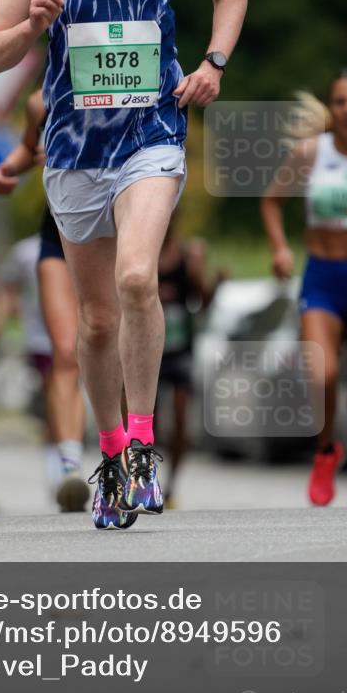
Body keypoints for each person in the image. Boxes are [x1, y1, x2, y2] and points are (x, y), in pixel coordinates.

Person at [0, 0, 247, 528]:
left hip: (150, 137)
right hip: (73, 151)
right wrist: (32, 22)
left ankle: (142, 447)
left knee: (136, 278)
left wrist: (213, 64)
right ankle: (109, 458)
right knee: (96, 324)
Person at [261, 70, 347, 506]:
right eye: (341, 101)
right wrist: (281, 249)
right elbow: (271, 201)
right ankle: (325, 450)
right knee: (323, 373)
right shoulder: (310, 153)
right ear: (331, 107)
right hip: (322, 279)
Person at [0, 88, 88, 512]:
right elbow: (29, 147)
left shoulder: (121, 79)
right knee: (64, 352)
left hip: (111, 230)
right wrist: (8, 168)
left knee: (115, 347)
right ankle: (68, 466)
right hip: (58, 231)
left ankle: (127, 454)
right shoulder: (41, 101)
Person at [157, 214, 225, 508]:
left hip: (181, 350)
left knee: (180, 420)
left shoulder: (188, 256)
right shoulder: (141, 254)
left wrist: (215, 284)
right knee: (149, 421)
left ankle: (171, 485)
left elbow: (203, 302)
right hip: (148, 351)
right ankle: (147, 478)